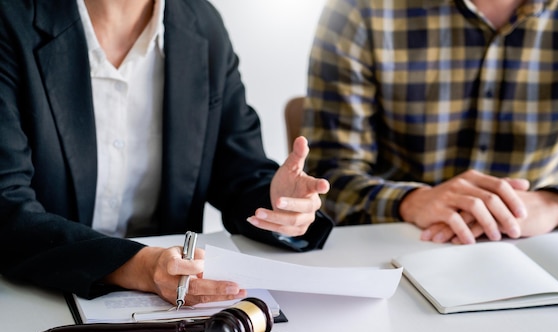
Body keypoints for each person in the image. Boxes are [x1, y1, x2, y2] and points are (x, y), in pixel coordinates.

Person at [0, 0, 333, 306]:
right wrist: (138, 266)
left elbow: (238, 174)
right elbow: (7, 208)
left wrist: (279, 206)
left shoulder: (201, 26)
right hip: (38, 299)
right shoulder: (10, 21)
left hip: (170, 309)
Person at [303, 0, 558, 245]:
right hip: (398, 241)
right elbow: (326, 176)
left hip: (530, 241)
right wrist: (409, 201)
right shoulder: (358, 10)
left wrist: (556, 201)